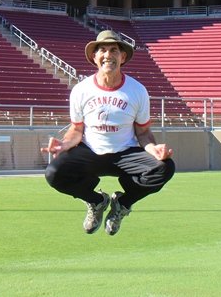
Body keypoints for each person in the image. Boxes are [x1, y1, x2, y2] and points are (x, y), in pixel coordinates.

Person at [41, 30, 175, 235]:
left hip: (125, 153)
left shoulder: (137, 90)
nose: (108, 55)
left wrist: (153, 148)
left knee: (164, 167)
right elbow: (77, 130)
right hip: (91, 152)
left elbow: (143, 132)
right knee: (54, 172)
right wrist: (65, 144)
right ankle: (96, 202)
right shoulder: (81, 90)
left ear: (122, 57)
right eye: (102, 50)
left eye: (114, 50)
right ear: (94, 57)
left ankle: (122, 203)